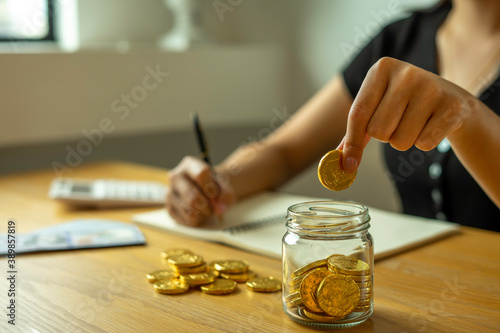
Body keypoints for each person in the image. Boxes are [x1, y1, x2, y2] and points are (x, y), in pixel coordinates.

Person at [166, 0, 500, 232]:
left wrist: (467, 114)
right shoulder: (399, 39)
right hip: (413, 284)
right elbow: (284, 151)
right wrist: (218, 181)